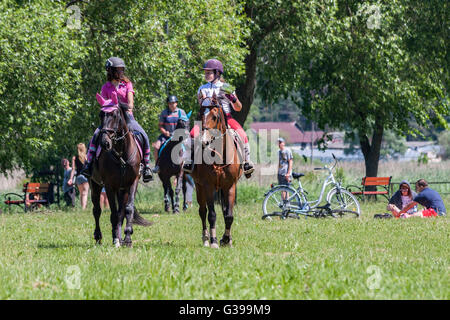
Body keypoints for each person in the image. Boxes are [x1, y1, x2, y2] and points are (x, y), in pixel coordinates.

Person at [80, 57, 153, 182]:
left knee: (143, 134)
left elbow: (130, 105)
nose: (121, 73)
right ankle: (89, 165)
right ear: (111, 71)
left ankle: (146, 166)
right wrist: (111, 109)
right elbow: (104, 105)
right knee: (96, 136)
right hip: (110, 119)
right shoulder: (105, 87)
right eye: (118, 70)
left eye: (122, 70)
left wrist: (118, 106)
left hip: (127, 117)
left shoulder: (127, 84)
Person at [182, 59, 254, 177]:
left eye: (209, 72)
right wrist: (202, 100)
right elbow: (202, 107)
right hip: (207, 119)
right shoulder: (202, 88)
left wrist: (233, 98)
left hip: (227, 119)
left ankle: (247, 162)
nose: (206, 75)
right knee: (191, 135)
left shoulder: (227, 87)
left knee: (242, 134)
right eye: (205, 72)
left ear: (217, 73)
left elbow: (238, 108)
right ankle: (189, 161)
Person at [152, 95, 188, 173]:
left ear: (176, 103)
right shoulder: (164, 112)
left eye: (173, 103)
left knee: (188, 145)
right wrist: (165, 132)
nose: (172, 105)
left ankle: (187, 164)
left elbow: (186, 125)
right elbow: (160, 125)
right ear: (168, 104)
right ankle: (157, 165)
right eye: (170, 103)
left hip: (179, 136)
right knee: (156, 147)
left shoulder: (181, 112)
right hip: (166, 135)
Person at [69, 143, 90, 210]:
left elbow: (73, 169)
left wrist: (71, 178)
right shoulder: (86, 157)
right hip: (85, 176)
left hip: (78, 177)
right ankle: (83, 208)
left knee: (81, 193)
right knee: (85, 193)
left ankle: (82, 208)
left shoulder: (74, 157)